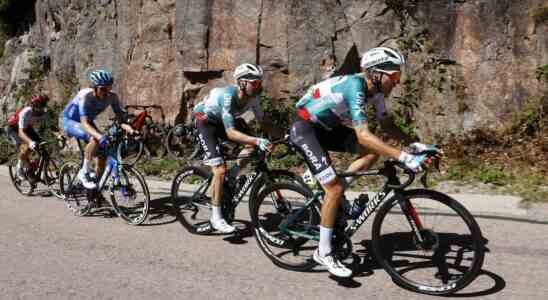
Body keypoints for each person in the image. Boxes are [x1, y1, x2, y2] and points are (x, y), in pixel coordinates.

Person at [289, 47, 439, 277]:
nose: (397, 82)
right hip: (305, 127)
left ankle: (333, 199)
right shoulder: (356, 86)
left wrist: (415, 145)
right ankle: (324, 252)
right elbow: (363, 134)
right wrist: (403, 156)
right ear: (376, 74)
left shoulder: (376, 92)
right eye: (395, 76)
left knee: (371, 154)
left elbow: (387, 126)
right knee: (335, 187)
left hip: (328, 127)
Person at [193, 63, 279, 233]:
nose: (258, 86)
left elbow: (264, 122)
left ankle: (232, 176)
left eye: (260, 82)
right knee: (219, 169)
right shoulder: (227, 96)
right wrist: (257, 140)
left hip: (227, 120)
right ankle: (216, 218)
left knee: (253, 147)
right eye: (254, 83)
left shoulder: (253, 97)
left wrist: (285, 136)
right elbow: (231, 133)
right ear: (241, 83)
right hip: (206, 121)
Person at [62, 69, 136, 189]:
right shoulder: (85, 95)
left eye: (109, 88)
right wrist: (100, 136)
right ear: (95, 87)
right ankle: (84, 172)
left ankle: (95, 189)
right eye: (103, 88)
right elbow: (85, 123)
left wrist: (131, 130)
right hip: (70, 121)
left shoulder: (112, 97)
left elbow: (120, 120)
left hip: (87, 122)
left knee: (103, 155)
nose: (106, 92)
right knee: (95, 138)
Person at [7, 94, 52, 180]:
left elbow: (51, 126)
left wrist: (59, 135)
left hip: (27, 127)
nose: (41, 108)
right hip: (14, 129)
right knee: (25, 146)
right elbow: (21, 132)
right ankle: (19, 168)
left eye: (43, 105)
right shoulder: (26, 112)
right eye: (39, 105)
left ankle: (32, 171)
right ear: (34, 105)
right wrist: (30, 142)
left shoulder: (44, 113)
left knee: (42, 147)